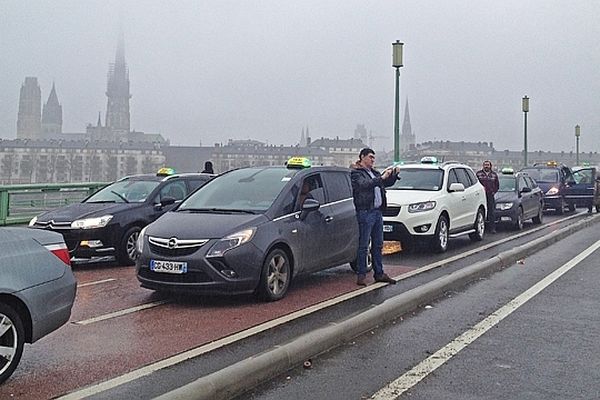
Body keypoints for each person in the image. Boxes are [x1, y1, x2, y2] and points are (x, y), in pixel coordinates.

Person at [350, 148, 399, 286]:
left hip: (377, 212)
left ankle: (379, 273)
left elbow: (384, 183)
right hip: (366, 211)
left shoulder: (374, 173)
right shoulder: (357, 174)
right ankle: (361, 275)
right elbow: (363, 185)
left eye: (374, 158)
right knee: (364, 245)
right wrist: (381, 178)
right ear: (362, 157)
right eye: (370, 157)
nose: (373, 160)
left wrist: (393, 175)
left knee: (378, 245)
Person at [476, 160, 499, 233]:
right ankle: (481, 228)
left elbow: (497, 185)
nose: (486, 166)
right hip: (480, 195)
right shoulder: (478, 174)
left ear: (490, 166)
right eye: (485, 165)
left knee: (491, 212)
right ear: (483, 166)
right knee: (480, 211)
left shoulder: (494, 175)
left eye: (488, 165)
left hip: (490, 195)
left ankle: (492, 228)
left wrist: (493, 192)